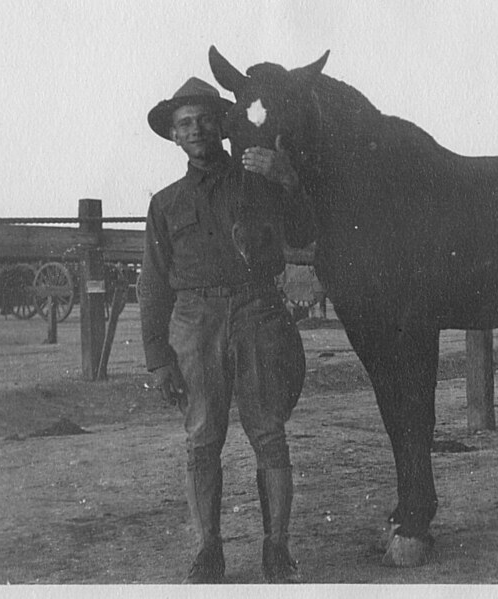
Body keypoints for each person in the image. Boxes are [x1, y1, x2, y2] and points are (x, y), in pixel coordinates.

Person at [139, 77, 307, 584]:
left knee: (269, 434)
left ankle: (276, 549)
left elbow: (302, 232)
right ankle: (209, 551)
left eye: (205, 119)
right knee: (201, 439)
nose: (196, 130)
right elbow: (152, 287)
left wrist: (290, 181)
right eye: (184, 123)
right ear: (173, 135)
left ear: (221, 125)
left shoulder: (259, 182)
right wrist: (158, 358)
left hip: (258, 313)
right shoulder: (165, 204)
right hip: (194, 323)